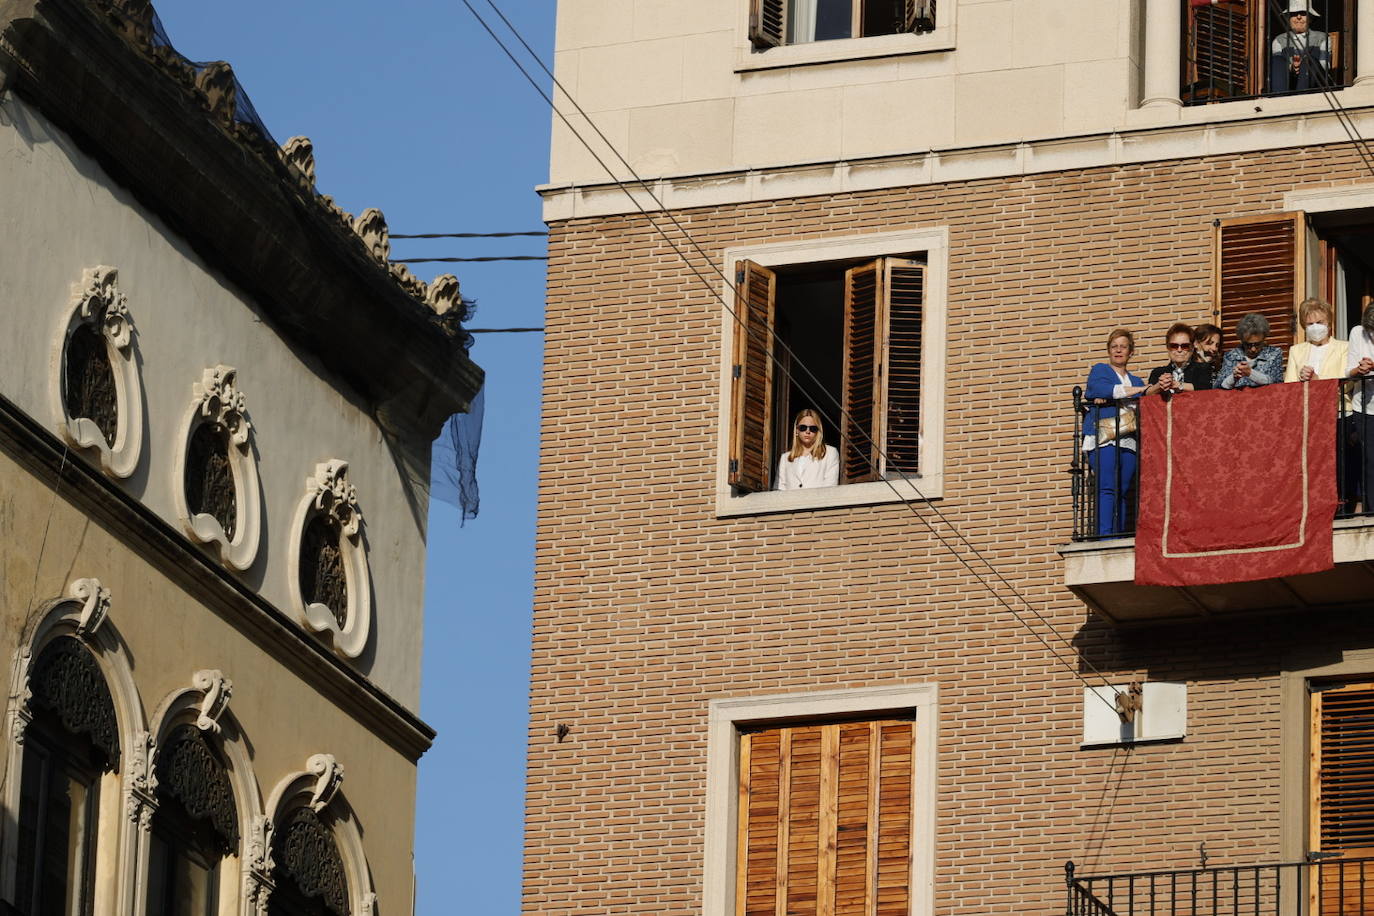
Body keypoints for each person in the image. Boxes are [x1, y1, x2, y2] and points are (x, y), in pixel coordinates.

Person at [1084, 329, 1157, 537]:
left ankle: (1119, 536)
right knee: (1107, 487)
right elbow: (1099, 389)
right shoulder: (1100, 370)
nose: (1118, 350)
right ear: (1108, 350)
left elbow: (1146, 398)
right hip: (1104, 438)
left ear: (1130, 352)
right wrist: (1140, 391)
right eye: (1114, 346)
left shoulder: (1135, 379)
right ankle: (1105, 535)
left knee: (1123, 490)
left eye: (1123, 346)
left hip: (1128, 440)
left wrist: (1148, 389)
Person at [1268, 0, 1331, 94]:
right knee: (1276, 60)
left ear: (1310, 18)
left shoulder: (1322, 38)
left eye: (1303, 13)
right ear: (1288, 18)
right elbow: (1277, 69)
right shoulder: (1279, 40)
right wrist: (1292, 67)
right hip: (1289, 83)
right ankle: (1279, 99)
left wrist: (1303, 65)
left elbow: (1324, 65)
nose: (1298, 17)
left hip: (1314, 84)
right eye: (1294, 14)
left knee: (1309, 61)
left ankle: (1301, 97)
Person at [1347, 303, 1374, 512]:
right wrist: (1360, 369)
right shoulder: (1358, 332)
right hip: (1363, 407)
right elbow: (1349, 370)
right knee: (1369, 462)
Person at [1284, 298, 1348, 383]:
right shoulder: (1295, 351)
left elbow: (1346, 383)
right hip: (1304, 396)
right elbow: (1289, 385)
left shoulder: (1344, 348)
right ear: (1304, 326)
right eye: (1310, 324)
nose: (1315, 327)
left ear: (1328, 323)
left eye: (1319, 322)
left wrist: (1317, 380)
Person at [775, 407, 839, 490]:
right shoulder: (785, 458)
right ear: (797, 430)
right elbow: (779, 490)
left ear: (818, 432)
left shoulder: (830, 453)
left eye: (813, 428)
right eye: (803, 428)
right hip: (790, 502)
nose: (807, 431)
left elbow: (830, 486)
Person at [1218, 312, 1285, 390]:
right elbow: (1220, 387)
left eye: (1257, 344)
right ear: (1242, 340)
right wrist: (1233, 377)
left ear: (1264, 338)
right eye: (1248, 345)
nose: (1253, 349)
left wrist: (1250, 373)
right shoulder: (1231, 356)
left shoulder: (1274, 354)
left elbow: (1277, 382)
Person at [1148, 322, 1213, 394]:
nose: (1179, 350)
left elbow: (1207, 389)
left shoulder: (1203, 369)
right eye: (1174, 346)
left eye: (1184, 346)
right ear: (1168, 347)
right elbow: (1146, 394)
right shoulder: (1157, 373)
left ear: (1192, 347)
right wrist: (1159, 385)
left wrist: (1179, 385)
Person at [1192, 322, 1224, 388]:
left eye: (1217, 345)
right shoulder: (1187, 367)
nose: (1214, 348)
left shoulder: (1221, 366)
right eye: (1209, 343)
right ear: (1196, 344)